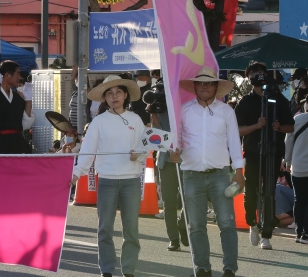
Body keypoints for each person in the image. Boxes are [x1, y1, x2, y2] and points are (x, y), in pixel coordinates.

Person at [172, 67, 244, 277]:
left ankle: (230, 268)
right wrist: (174, 151)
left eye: (209, 83)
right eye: (201, 83)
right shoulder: (183, 110)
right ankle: (202, 268)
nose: (204, 86)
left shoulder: (226, 111)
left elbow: (234, 142)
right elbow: (176, 140)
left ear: (216, 87)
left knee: (227, 223)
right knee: (196, 226)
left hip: (220, 175)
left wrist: (239, 172)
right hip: (191, 175)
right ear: (194, 86)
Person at [71, 75, 146, 277]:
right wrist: (77, 173)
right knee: (105, 229)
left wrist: (139, 154)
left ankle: (128, 270)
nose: (114, 97)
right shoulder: (98, 122)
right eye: (110, 93)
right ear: (104, 98)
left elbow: (144, 147)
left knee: (131, 229)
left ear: (125, 95)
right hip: (107, 181)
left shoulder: (136, 119)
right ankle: (107, 269)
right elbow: (87, 151)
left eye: (118, 92)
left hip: (131, 180)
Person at [235, 61, 295, 249]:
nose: (258, 77)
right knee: (251, 190)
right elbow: (237, 130)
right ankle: (252, 223)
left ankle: (267, 233)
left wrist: (279, 127)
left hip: (274, 151)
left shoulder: (278, 98)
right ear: (249, 78)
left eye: (261, 73)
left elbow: (290, 126)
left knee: (270, 191)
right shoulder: (245, 101)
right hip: (253, 152)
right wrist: (256, 126)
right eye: (254, 74)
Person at [144, 78, 188, 251]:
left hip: (186, 159)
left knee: (190, 199)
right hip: (165, 160)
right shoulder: (156, 108)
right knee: (169, 202)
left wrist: (177, 148)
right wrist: (153, 112)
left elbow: (189, 132)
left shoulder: (185, 105)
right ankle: (173, 238)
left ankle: (183, 225)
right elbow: (154, 136)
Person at [0, 61, 35, 154]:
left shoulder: (17, 97)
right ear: (7, 75)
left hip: (17, 146)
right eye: (17, 73)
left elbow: (24, 125)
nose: (19, 77)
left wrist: (28, 101)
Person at [285, 96, 308, 244]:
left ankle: (299, 232)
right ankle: (306, 232)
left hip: (298, 166)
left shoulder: (297, 119)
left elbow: (288, 142)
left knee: (299, 200)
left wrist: (287, 161)